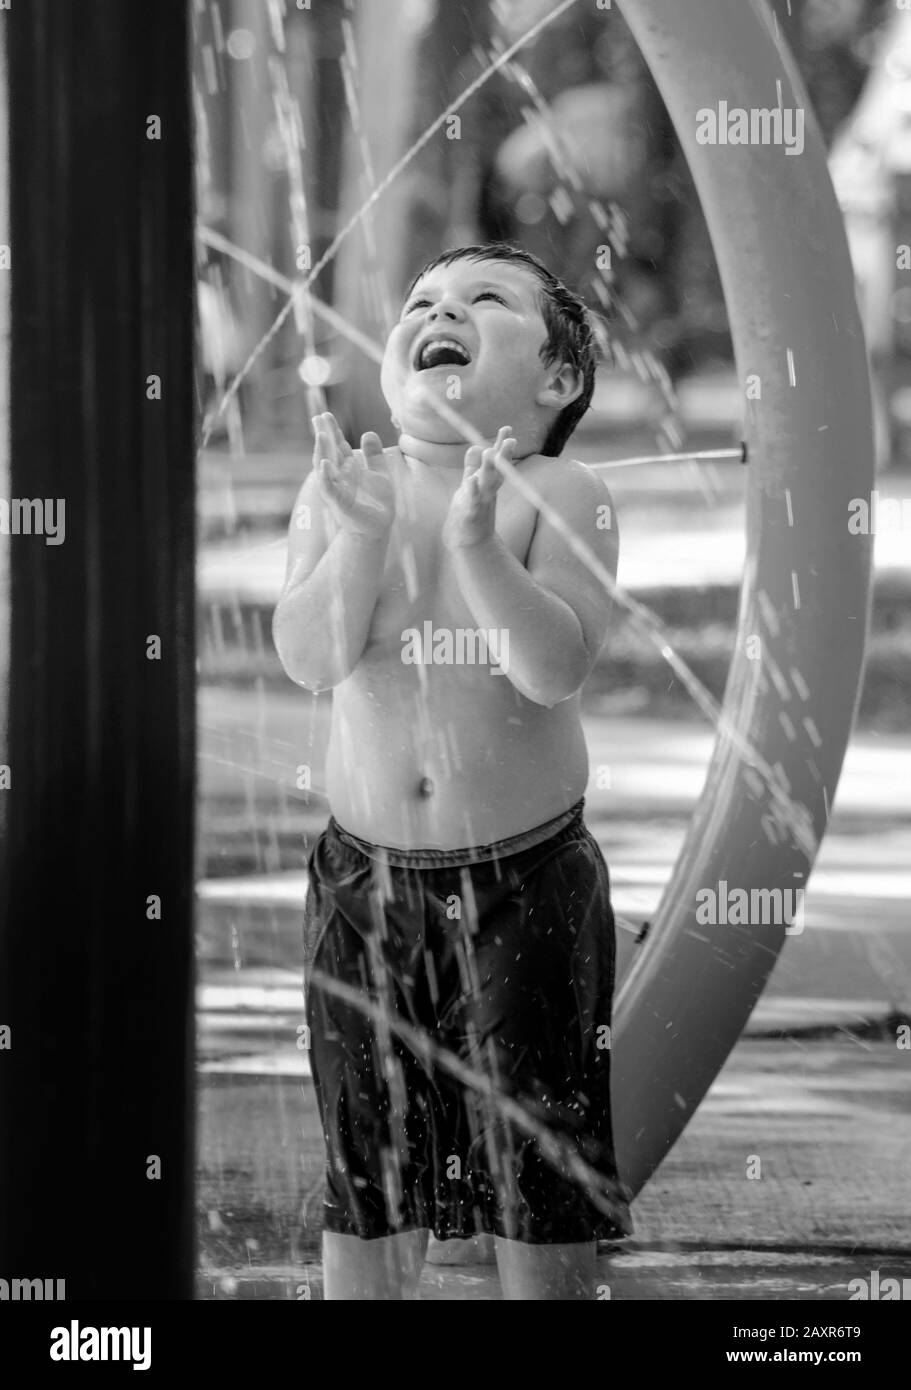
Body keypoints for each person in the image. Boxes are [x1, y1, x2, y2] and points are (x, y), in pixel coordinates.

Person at [273, 242, 631, 1300]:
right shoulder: (347, 487)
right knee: (366, 1163)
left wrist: (477, 550)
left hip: (525, 885)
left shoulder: (559, 491)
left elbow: (552, 666)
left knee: (535, 1168)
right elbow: (309, 656)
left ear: (555, 381)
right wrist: (357, 544)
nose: (442, 310)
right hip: (364, 886)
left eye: (484, 300)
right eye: (423, 300)